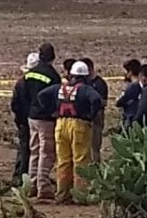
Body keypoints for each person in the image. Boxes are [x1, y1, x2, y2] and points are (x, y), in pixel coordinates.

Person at [38, 61, 102, 204]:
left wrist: (51, 111)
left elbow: (42, 95)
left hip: (60, 125)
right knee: (80, 160)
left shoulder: (59, 88)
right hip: (79, 125)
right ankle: (80, 195)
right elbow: (96, 99)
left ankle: (62, 194)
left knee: (63, 160)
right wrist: (90, 115)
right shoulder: (85, 89)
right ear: (85, 77)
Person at [23, 43, 62, 201]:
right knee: (46, 153)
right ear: (53, 57)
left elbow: (24, 94)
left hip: (32, 117)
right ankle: (43, 186)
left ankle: (32, 185)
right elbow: (54, 97)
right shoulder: (53, 75)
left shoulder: (30, 73)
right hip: (46, 119)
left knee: (34, 151)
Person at [10, 54, 39, 184]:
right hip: (33, 119)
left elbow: (14, 104)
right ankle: (24, 175)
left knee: (23, 148)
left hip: (23, 120)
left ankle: (20, 175)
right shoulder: (35, 84)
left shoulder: (20, 83)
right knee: (31, 148)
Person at [83, 58, 109, 163]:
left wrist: (93, 102)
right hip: (84, 116)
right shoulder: (84, 82)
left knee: (94, 145)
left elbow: (104, 102)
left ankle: (96, 167)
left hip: (96, 116)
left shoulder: (100, 83)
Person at [117, 59, 143, 128]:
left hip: (130, 116)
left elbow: (120, 101)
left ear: (130, 72)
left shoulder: (132, 86)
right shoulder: (142, 84)